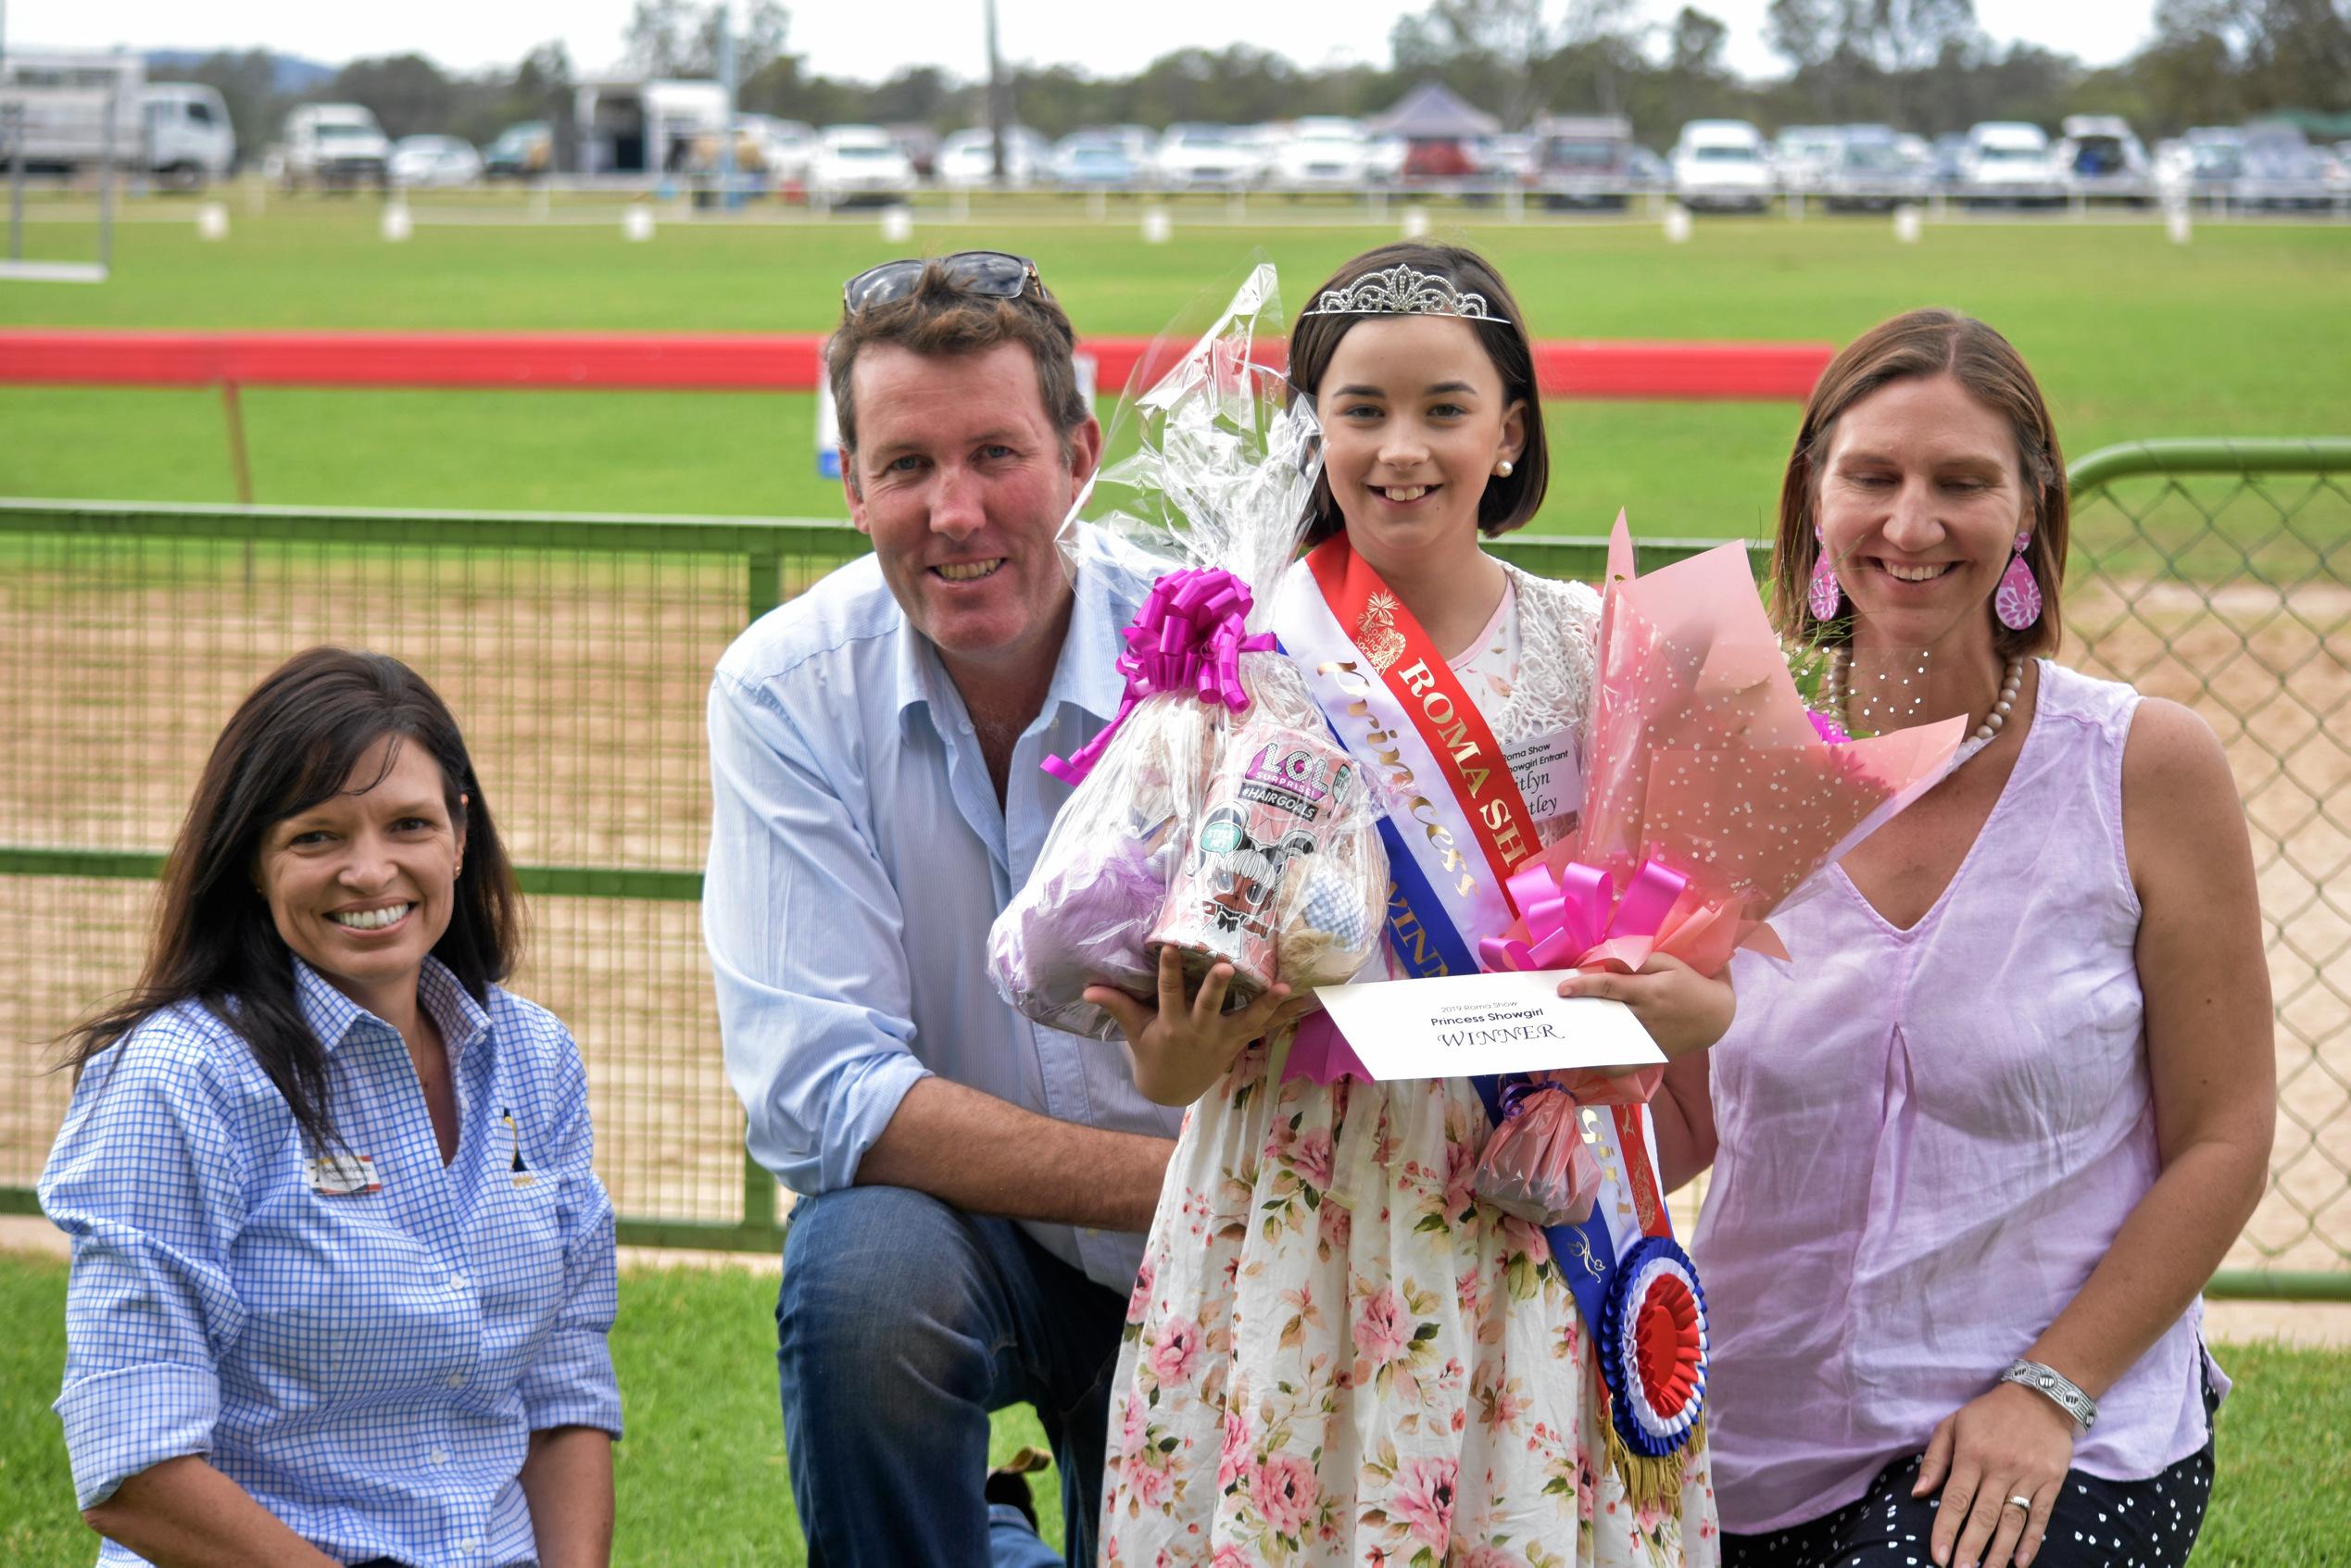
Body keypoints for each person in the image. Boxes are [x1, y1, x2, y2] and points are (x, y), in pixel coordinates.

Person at [1097, 242, 1729, 1563]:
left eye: (1445, 408)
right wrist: (1185, 1044)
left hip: (1524, 1191)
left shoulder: (1601, 647)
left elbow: (1698, 976)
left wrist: (1672, 1008)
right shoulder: (1231, 656)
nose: (1402, 449)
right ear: (1308, 429)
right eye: (1360, 410)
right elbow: (1160, 1054)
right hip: (1289, 1191)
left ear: (1510, 430)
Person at [1657, 309, 2275, 1568]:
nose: (1910, 523)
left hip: (2052, 1420)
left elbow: (2225, 1133)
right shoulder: (1720, 749)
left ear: (2029, 508)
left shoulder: (2142, 766)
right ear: (1812, 498)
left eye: (1960, 482)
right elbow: (1679, 1119)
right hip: (1749, 1428)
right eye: (1872, 477)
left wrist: (2051, 1390)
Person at [703, 252, 1188, 1568]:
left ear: (1080, 454)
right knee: (862, 1270)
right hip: (1028, 1240)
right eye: (907, 466)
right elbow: (819, 1094)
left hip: (1225, 1247)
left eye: (996, 453)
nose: (955, 511)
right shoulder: (786, 689)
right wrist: (1180, 1180)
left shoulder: (1212, 644)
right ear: (850, 483)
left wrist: (1220, 1203)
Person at [42, 646, 621, 1568]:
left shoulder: (534, 1057)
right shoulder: (179, 1082)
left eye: (408, 824)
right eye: (316, 836)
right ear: (252, 864)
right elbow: (133, 1463)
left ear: (459, 834)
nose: (370, 870)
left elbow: (564, 1391)